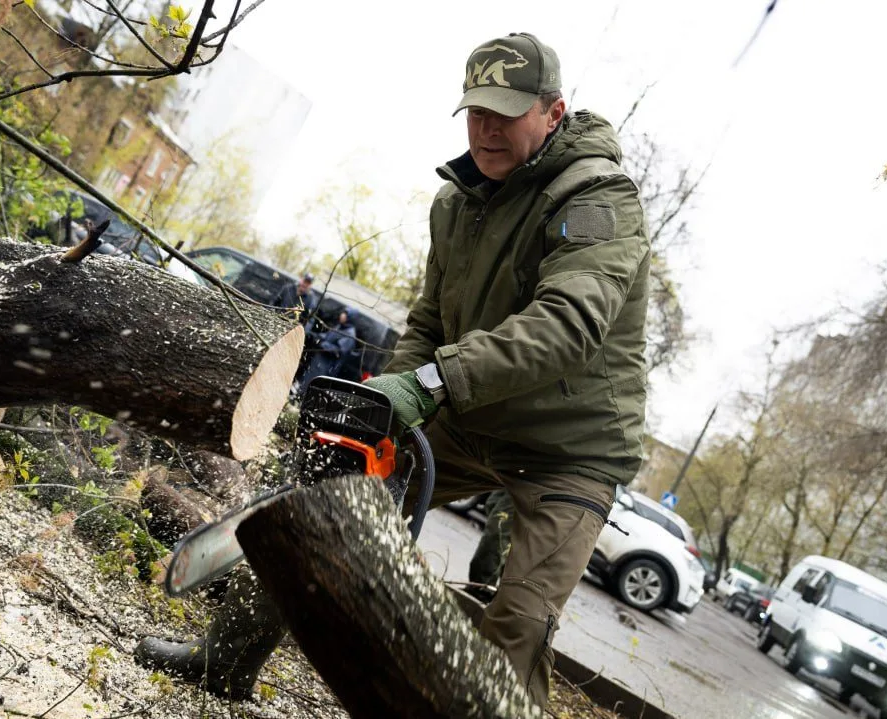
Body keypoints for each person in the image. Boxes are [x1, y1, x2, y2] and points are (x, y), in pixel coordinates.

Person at [135, 32, 650, 709]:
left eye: (507, 111)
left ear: (554, 113)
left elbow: (567, 327)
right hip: (472, 413)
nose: (487, 127)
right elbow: (432, 323)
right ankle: (225, 659)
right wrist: (389, 396)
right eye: (477, 110)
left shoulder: (597, 200)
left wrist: (429, 384)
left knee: (519, 619)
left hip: (569, 449)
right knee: (318, 501)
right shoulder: (457, 202)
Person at [299, 307, 360, 385]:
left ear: (350, 318)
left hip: (326, 367)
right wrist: (315, 336)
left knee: (312, 384)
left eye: (345, 315)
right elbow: (328, 336)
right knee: (305, 381)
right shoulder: (339, 327)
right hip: (318, 361)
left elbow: (338, 351)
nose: (342, 315)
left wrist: (323, 344)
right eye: (343, 313)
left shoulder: (349, 334)